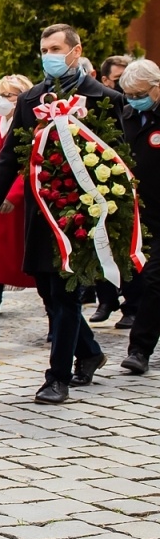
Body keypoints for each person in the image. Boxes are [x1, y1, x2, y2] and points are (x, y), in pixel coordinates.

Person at [0, 24, 126, 404]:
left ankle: (57, 378)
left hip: (81, 213)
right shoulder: (31, 99)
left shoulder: (104, 98)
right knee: (48, 290)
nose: (49, 55)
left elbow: (119, 158)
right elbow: (12, 154)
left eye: (56, 48)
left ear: (76, 51)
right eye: (45, 49)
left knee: (67, 294)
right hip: (40, 210)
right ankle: (89, 352)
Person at [0, 74, 45, 348]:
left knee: (36, 267)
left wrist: (12, 196)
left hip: (19, 204)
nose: (4, 101)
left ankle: (56, 320)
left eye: (10, 95)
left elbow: (29, 164)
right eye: (1, 95)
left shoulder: (34, 124)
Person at [117, 59, 160, 374]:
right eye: (129, 95)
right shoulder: (126, 116)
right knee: (141, 280)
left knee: (155, 281)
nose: (134, 100)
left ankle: (139, 350)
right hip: (136, 215)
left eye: (140, 94)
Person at [95, 54, 136, 325]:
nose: (125, 86)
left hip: (129, 189)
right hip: (101, 185)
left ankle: (132, 306)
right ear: (105, 80)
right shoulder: (101, 106)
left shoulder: (134, 109)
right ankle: (106, 300)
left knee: (127, 249)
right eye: (119, 79)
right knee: (100, 245)